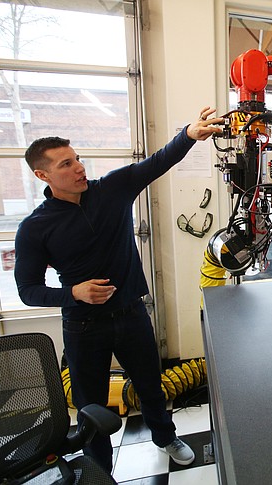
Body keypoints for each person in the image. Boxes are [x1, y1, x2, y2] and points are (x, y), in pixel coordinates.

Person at [14, 107, 224, 473]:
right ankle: (99, 470)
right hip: (83, 326)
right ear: (42, 174)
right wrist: (73, 293)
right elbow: (28, 290)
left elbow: (157, 162)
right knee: (90, 405)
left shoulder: (111, 190)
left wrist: (189, 134)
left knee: (151, 387)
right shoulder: (35, 228)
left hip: (131, 314)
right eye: (65, 164)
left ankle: (165, 437)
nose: (78, 167)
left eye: (76, 159)